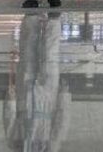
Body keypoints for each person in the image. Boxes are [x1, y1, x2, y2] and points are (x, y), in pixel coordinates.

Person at [4, 13, 71, 151]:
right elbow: (61, 123)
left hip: (24, 96)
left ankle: (31, 18)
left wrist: (10, 100)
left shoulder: (16, 146)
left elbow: (9, 120)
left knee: (27, 56)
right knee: (50, 56)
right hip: (48, 99)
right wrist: (64, 96)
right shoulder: (50, 148)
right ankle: (53, 20)